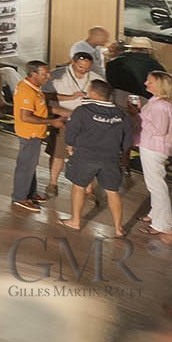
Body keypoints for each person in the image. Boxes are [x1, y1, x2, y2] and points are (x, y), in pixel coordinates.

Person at [58, 78, 135, 235]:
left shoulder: (83, 111)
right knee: (113, 192)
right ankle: (118, 228)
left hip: (85, 156)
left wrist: (70, 146)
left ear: (94, 94)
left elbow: (71, 132)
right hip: (111, 158)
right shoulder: (122, 115)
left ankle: (75, 221)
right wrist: (119, 152)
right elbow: (128, 140)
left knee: (79, 187)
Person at [44, 50, 101, 198]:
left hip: (87, 123)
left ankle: (88, 189)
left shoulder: (96, 79)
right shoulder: (57, 75)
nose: (84, 70)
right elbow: (46, 96)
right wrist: (69, 99)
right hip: (64, 120)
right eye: (80, 66)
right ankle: (53, 183)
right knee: (58, 154)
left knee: (87, 157)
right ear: (73, 62)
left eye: (87, 67)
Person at [11, 60, 63, 213]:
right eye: (44, 74)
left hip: (35, 133)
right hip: (29, 133)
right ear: (33, 74)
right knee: (25, 166)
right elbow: (25, 117)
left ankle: (30, 193)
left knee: (30, 165)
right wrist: (51, 121)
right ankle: (20, 198)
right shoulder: (27, 91)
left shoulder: (35, 87)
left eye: (48, 73)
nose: (48, 76)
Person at [136, 70, 172, 244]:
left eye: (150, 81)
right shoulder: (158, 102)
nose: (146, 83)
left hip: (154, 149)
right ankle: (154, 214)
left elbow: (160, 130)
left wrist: (139, 116)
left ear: (160, 85)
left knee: (157, 186)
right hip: (150, 147)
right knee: (154, 184)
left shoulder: (161, 106)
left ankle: (162, 224)